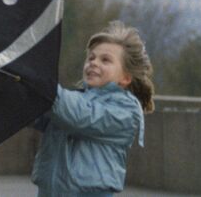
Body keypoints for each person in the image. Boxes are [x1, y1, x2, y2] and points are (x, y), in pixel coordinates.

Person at [32, 21, 155, 197]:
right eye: (91, 57)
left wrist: (39, 82)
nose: (93, 63)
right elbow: (35, 112)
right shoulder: (73, 102)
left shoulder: (125, 111)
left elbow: (81, 116)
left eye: (105, 60)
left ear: (126, 78)